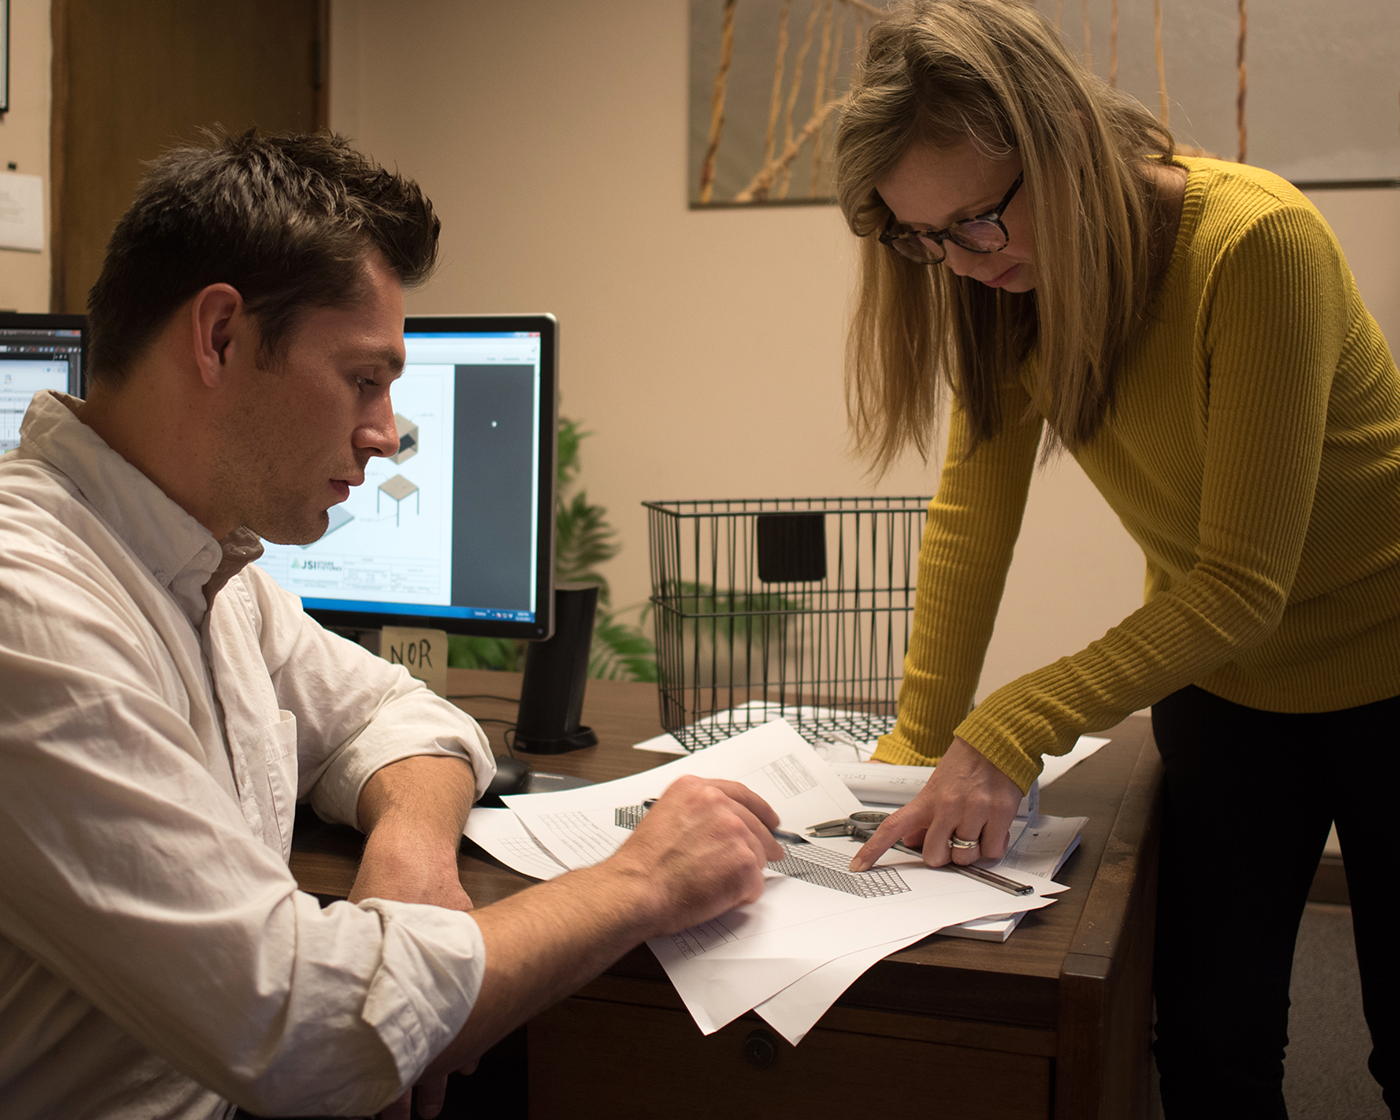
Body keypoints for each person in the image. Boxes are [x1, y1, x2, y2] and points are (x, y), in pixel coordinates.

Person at [0, 129, 783, 1120]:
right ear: (220, 337)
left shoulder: (205, 571)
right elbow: (299, 1028)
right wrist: (642, 881)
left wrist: (409, 849)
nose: (384, 432)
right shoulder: (32, 606)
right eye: (364, 379)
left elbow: (399, 713)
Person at [829, 1, 1400, 1116]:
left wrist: (1006, 729)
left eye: (975, 221)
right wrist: (912, 750)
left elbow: (1243, 584)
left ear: (1063, 143)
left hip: (1386, 655)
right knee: (1208, 1043)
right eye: (923, 237)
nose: (961, 262)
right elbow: (970, 520)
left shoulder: (1255, 243)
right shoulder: (1000, 286)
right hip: (1226, 684)